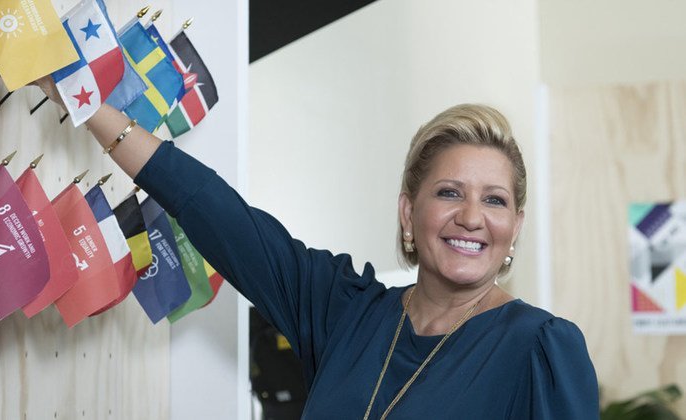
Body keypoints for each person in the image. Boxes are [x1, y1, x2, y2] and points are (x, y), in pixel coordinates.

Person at [37, 78, 599, 419]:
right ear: (409, 212)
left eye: (495, 200)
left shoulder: (540, 349)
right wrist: (83, 100)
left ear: (515, 226)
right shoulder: (344, 311)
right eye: (449, 193)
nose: (472, 217)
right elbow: (217, 214)